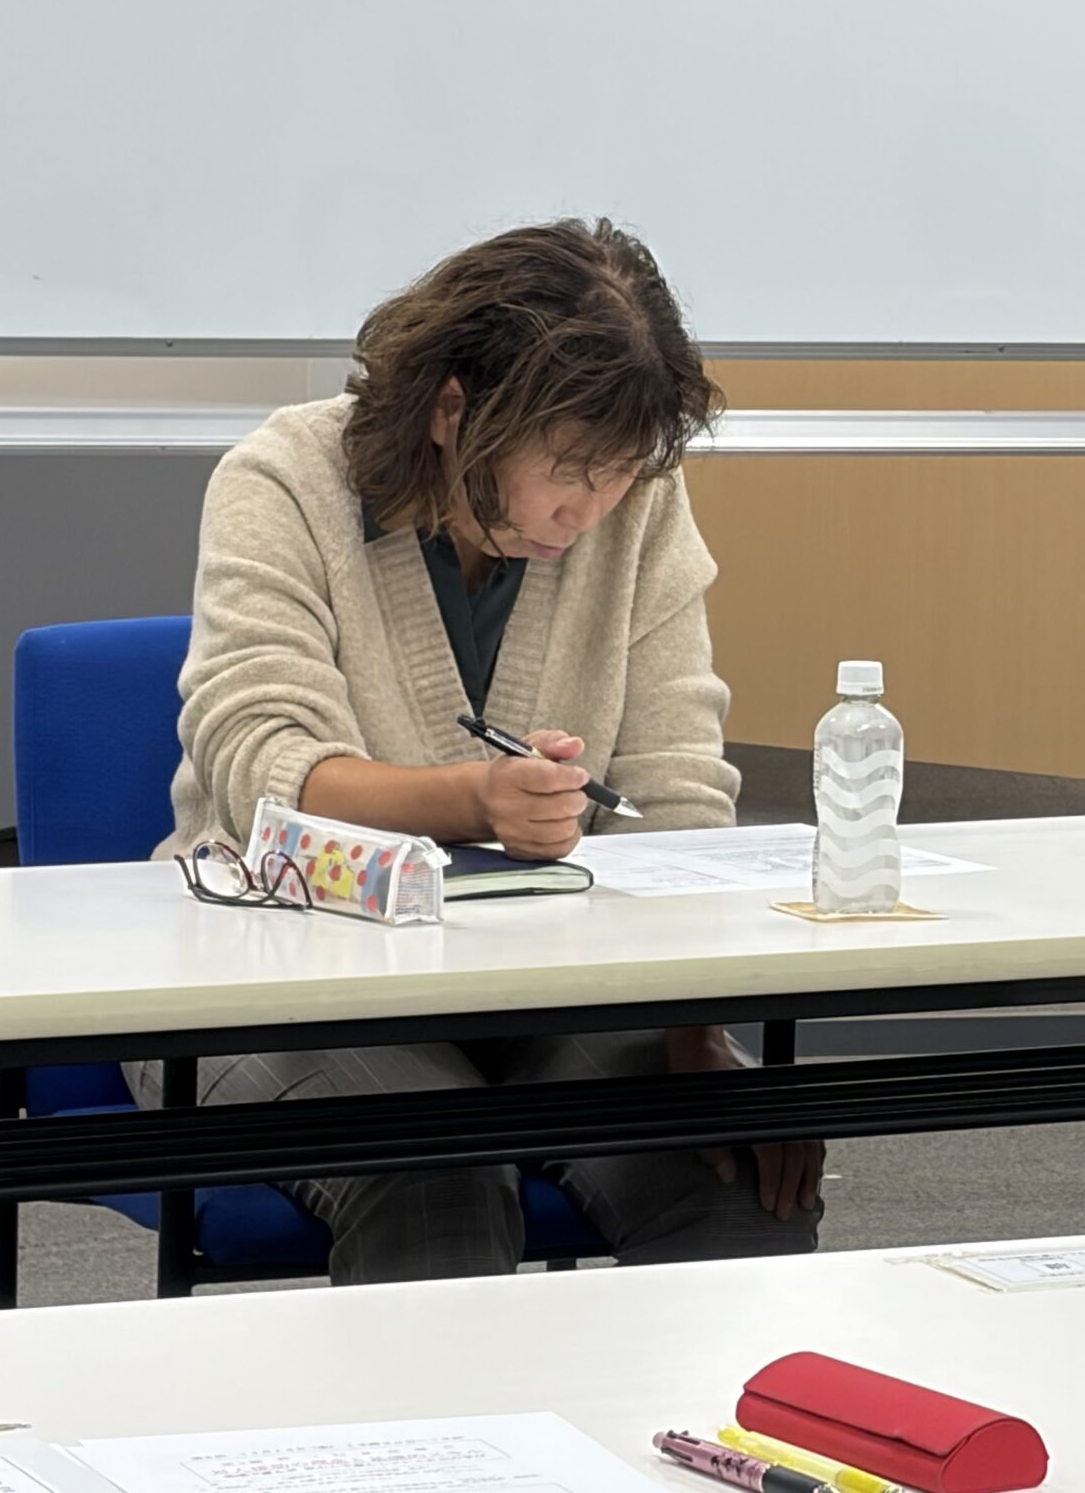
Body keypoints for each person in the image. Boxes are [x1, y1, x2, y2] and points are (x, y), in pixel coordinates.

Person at [133, 218, 825, 1282]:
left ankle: (671, 1405)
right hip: (279, 974)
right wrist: (475, 801)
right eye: (569, 470)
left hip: (547, 978)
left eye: (619, 475)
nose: (587, 511)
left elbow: (680, 790)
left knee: (733, 1178)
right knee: (437, 1181)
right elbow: (263, 763)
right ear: (453, 409)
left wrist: (698, 1031)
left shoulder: (635, 505)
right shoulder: (283, 479)